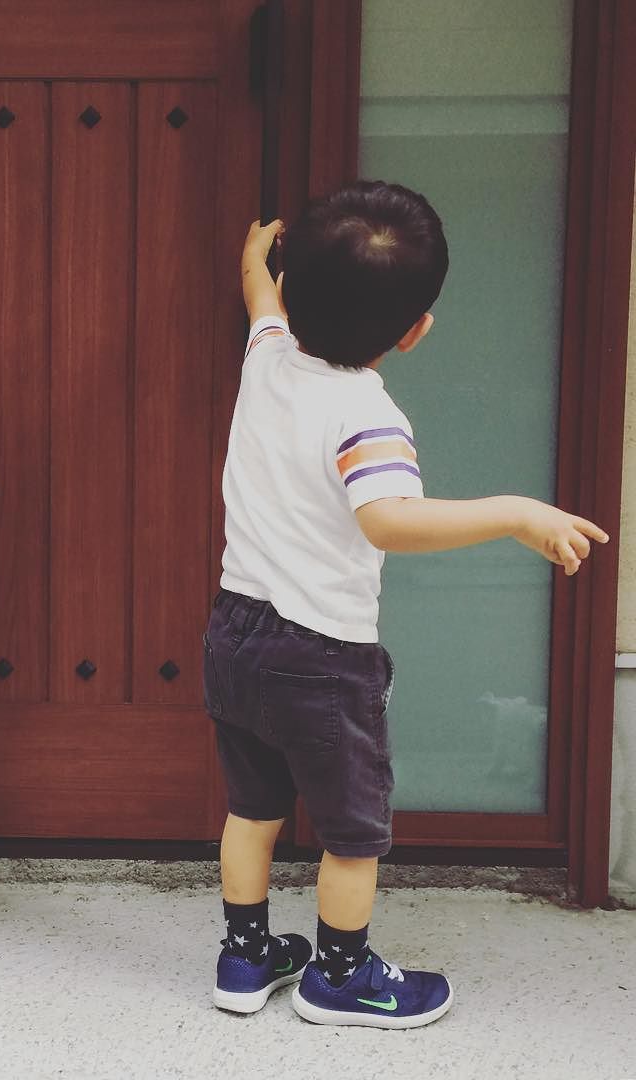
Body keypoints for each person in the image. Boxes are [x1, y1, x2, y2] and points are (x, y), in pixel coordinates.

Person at [206, 181, 608, 1027]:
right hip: (321, 655)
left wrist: (254, 260)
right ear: (414, 330)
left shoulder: (266, 357)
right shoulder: (367, 414)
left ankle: (244, 958)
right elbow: (388, 518)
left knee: (253, 809)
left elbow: (261, 303)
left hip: (233, 633)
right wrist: (516, 513)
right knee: (353, 833)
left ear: (291, 289)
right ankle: (339, 978)